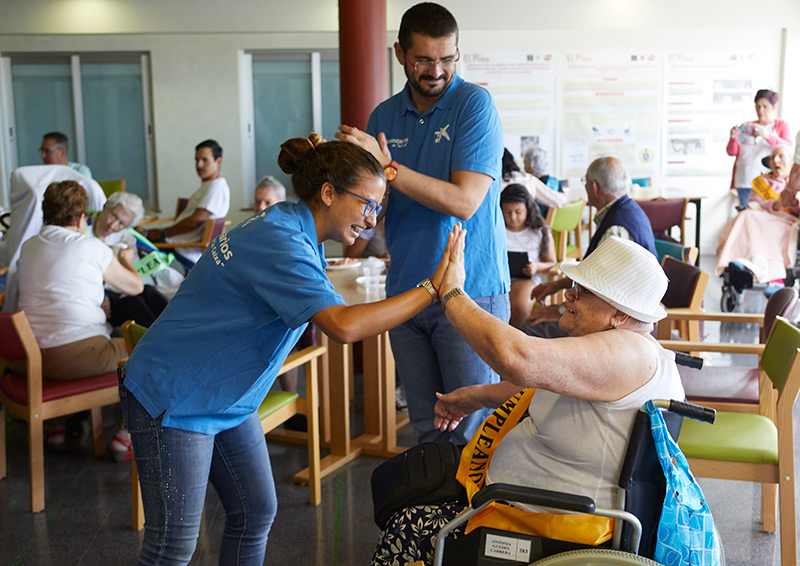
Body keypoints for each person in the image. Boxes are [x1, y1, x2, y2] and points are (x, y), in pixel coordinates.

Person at [121, 133, 462, 566]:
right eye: (366, 204)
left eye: (378, 207)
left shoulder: (292, 225)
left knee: (254, 511)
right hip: (174, 396)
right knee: (171, 546)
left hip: (225, 396)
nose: (372, 219)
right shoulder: (281, 240)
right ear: (327, 192)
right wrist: (433, 289)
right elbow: (341, 326)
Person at [372, 236, 685, 566]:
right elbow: (547, 384)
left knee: (404, 526)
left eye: (585, 291)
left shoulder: (630, 353)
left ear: (619, 315)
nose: (569, 294)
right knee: (404, 485)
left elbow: (518, 358)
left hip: (551, 527)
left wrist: (452, 295)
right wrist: (477, 397)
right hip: (521, 506)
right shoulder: (626, 349)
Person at [336, 2, 509, 444]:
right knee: (425, 429)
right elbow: (377, 204)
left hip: (470, 291)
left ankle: (476, 517)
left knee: (475, 433)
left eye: (447, 59)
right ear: (400, 55)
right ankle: (433, 516)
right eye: (424, 60)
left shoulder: (474, 105)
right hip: (407, 292)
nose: (436, 70)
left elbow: (465, 202)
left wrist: (389, 168)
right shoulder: (383, 117)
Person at [11, 181, 143, 450]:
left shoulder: (28, 247)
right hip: (75, 359)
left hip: (27, 358)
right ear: (84, 217)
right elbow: (135, 286)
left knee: (101, 333)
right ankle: (126, 435)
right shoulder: (91, 248)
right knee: (149, 344)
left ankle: (56, 427)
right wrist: (126, 259)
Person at [525, 156, 656, 338]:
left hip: (616, 326)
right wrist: (557, 285)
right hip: (619, 315)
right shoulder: (629, 210)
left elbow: (603, 295)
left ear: (593, 186)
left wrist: (556, 313)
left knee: (527, 329)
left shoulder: (615, 230)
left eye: (585, 182)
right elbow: (599, 280)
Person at [716, 145, 799, 283]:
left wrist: (794, 201)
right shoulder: (762, 182)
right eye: (772, 158)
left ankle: (759, 266)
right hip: (760, 217)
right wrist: (775, 204)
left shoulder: (795, 184)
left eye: (781, 157)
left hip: (785, 222)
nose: (776, 161)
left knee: (750, 219)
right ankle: (749, 263)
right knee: (747, 216)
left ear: (792, 163)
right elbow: (754, 202)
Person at [145, 139, 230, 268]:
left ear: (218, 161)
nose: (199, 165)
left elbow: (194, 222)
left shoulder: (216, 187)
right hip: (177, 245)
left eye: (204, 160)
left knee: (134, 242)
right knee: (138, 235)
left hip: (181, 253)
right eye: (196, 160)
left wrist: (163, 233)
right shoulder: (209, 185)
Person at [88, 191, 169, 328]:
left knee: (149, 291)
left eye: (121, 224)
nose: (113, 226)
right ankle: (162, 337)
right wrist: (104, 294)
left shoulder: (125, 237)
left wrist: (126, 261)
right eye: (113, 216)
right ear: (106, 205)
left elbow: (133, 277)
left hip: (121, 289)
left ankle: (175, 330)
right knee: (132, 302)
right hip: (100, 294)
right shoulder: (83, 229)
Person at [501, 183, 556, 328]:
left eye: (518, 212)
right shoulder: (497, 229)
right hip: (500, 277)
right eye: (507, 212)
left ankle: (512, 337)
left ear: (527, 209)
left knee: (519, 304)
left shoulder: (539, 230)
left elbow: (552, 264)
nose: (512, 217)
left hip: (528, 277)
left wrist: (536, 266)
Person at [726, 89, 791, 209]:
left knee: (767, 213)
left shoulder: (781, 125)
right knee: (747, 215)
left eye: (765, 106)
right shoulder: (746, 126)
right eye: (758, 106)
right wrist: (733, 138)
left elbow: (787, 147)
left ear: (774, 107)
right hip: (744, 180)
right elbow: (732, 152)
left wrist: (767, 136)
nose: (761, 110)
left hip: (768, 183)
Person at [501, 148, 567, 211]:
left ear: (530, 166)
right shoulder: (555, 182)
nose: (524, 167)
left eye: (524, 163)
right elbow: (560, 200)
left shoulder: (529, 180)